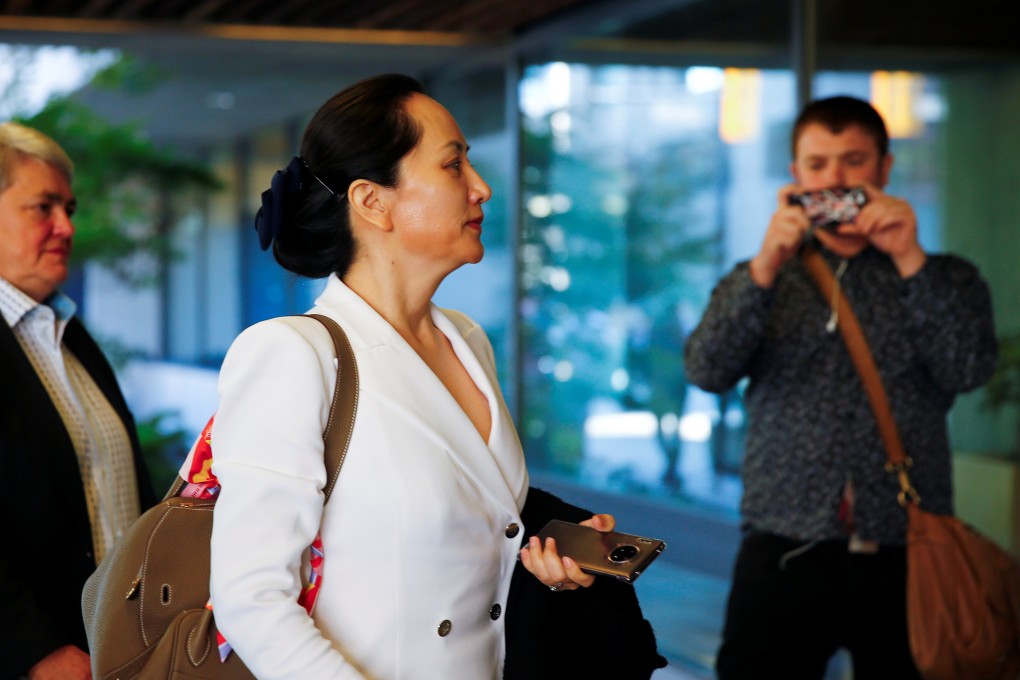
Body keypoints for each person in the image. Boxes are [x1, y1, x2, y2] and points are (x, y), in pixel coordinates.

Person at [207, 74, 664, 679]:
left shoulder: (467, 340)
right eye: (453, 167)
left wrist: (551, 551)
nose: (482, 188)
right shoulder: (292, 355)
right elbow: (251, 599)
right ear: (372, 201)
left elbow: (491, 517)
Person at [685, 96, 998, 679]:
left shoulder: (946, 277)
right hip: (782, 546)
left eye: (854, 161)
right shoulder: (761, 276)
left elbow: (967, 371)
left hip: (907, 551)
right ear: (795, 176)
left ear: (884, 168)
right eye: (819, 163)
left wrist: (909, 257)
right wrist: (764, 267)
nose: (836, 179)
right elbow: (706, 370)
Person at [0, 122, 155, 679]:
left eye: (69, 207)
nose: (66, 227)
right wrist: (31, 648)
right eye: (43, 207)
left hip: (121, 648)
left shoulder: (70, 333)